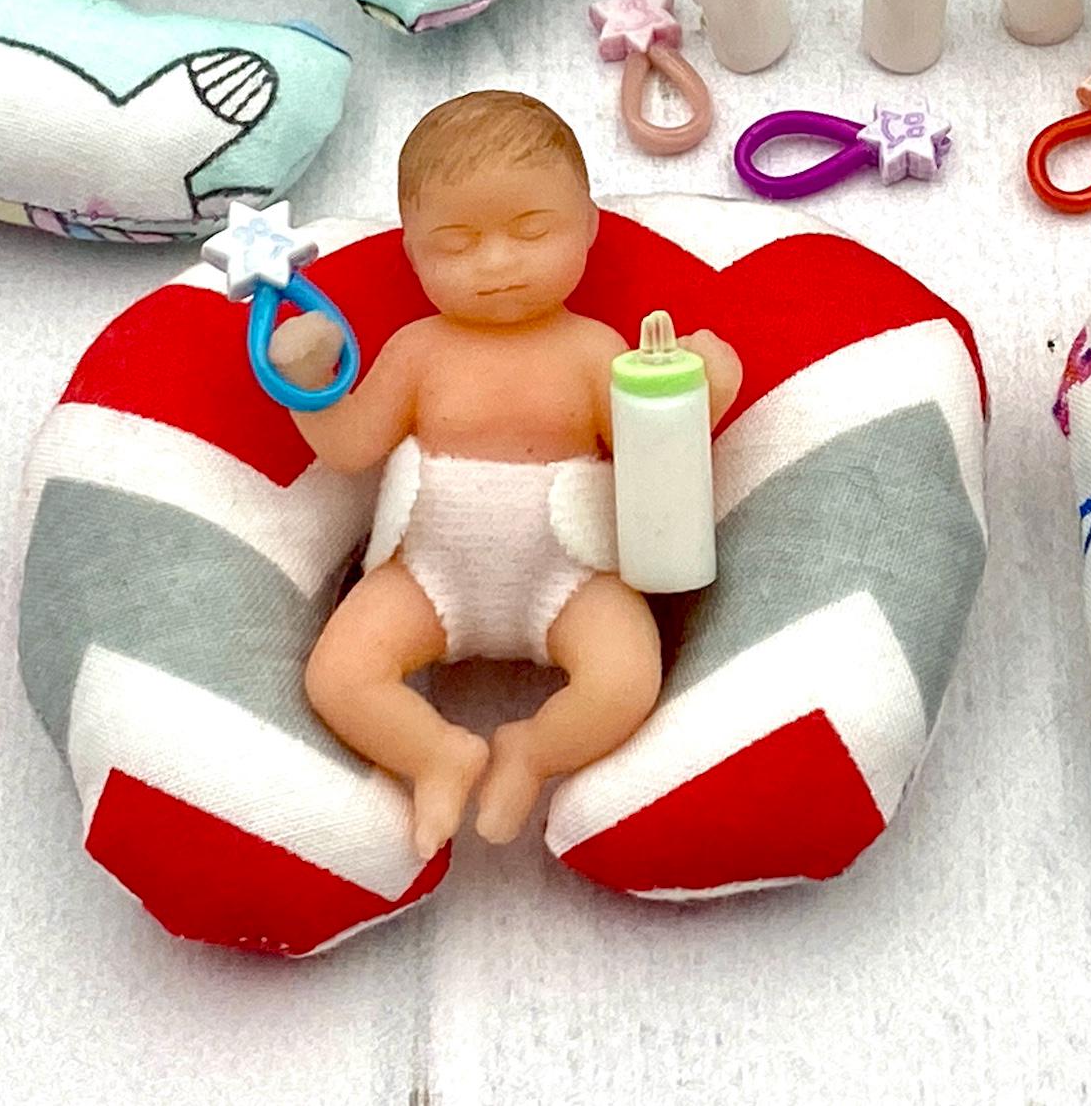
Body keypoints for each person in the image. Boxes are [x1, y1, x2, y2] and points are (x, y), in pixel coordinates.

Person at [268, 90, 740, 854]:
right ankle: (435, 754)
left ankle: (532, 750)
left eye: (531, 230)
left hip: (570, 573)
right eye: (455, 244)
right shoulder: (419, 349)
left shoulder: (593, 348)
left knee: (625, 679)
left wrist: (700, 391)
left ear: (587, 225)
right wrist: (310, 380)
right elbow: (350, 445)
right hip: (427, 575)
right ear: (412, 254)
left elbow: (651, 453)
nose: (496, 263)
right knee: (340, 675)